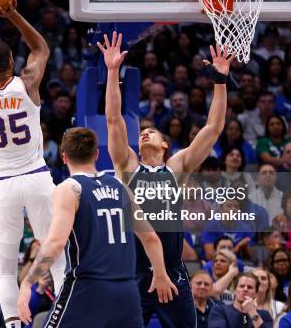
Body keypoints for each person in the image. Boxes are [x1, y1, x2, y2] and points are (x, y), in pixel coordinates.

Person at [103, 33, 233, 327]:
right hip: (134, 271)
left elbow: (213, 128)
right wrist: (112, 72)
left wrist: (220, 81)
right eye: (142, 132)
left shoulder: (177, 167)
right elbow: (113, 119)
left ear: (165, 145)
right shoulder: (127, 164)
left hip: (173, 271)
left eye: (152, 132)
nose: (145, 132)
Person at [0, 2, 66, 328]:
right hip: (36, 178)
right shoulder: (28, 82)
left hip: (1, 186)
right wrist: (12, 14)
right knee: (57, 257)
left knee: (6, 268)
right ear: (10, 61)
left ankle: (11, 324)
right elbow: (40, 47)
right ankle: (68, 318)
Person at [15, 127, 174, 327]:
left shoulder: (70, 188)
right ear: (97, 154)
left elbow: (55, 243)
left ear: (64, 157)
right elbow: (150, 238)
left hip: (88, 288)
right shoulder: (121, 186)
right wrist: (160, 274)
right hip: (127, 292)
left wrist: (28, 283)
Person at [208, 272, 273, 328]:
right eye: (242, 286)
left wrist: (252, 313)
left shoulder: (264, 315)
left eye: (250, 287)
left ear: (256, 293)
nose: (245, 289)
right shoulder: (220, 310)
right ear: (234, 290)